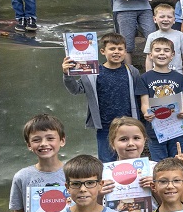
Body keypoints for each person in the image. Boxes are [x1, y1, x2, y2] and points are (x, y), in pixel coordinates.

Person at [61, 33, 143, 161]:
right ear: (102, 51)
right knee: (106, 164)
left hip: (129, 127)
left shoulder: (132, 71)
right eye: (112, 49)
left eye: (120, 49)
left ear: (125, 51)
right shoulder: (92, 72)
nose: (116, 52)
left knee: (131, 162)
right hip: (105, 127)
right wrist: (67, 75)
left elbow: (140, 96)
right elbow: (76, 89)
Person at [138, 37, 183, 160]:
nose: (162, 53)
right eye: (157, 50)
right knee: (159, 165)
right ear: (151, 55)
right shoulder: (144, 78)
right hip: (155, 130)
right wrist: (146, 113)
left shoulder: (179, 77)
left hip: (176, 129)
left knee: (179, 163)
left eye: (166, 50)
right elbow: (144, 103)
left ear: (172, 55)